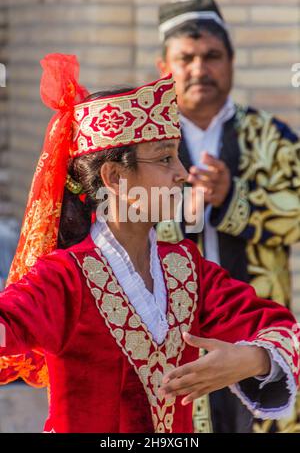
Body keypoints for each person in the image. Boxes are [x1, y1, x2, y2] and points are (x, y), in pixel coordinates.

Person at [0, 53, 299, 433]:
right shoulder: (65, 278)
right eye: (165, 159)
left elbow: (282, 327)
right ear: (113, 176)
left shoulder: (186, 269)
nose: (182, 174)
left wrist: (252, 359)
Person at [156, 0, 300, 433]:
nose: (200, 69)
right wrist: (183, 212)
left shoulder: (270, 136)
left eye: (212, 56)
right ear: (165, 68)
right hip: (171, 330)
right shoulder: (145, 145)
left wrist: (233, 197)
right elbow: (116, 224)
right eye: (186, 58)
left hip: (260, 326)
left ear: (232, 62)